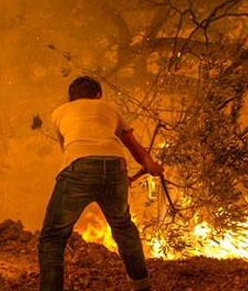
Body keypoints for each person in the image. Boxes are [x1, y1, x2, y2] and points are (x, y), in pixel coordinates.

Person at [38, 76, 164, 291]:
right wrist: (150, 165)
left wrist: (90, 171)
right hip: (115, 165)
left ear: (70, 98)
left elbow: (71, 150)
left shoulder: (60, 112)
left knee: (52, 237)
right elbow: (134, 147)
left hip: (78, 166)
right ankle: (142, 287)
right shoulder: (110, 108)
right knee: (123, 228)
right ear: (98, 96)